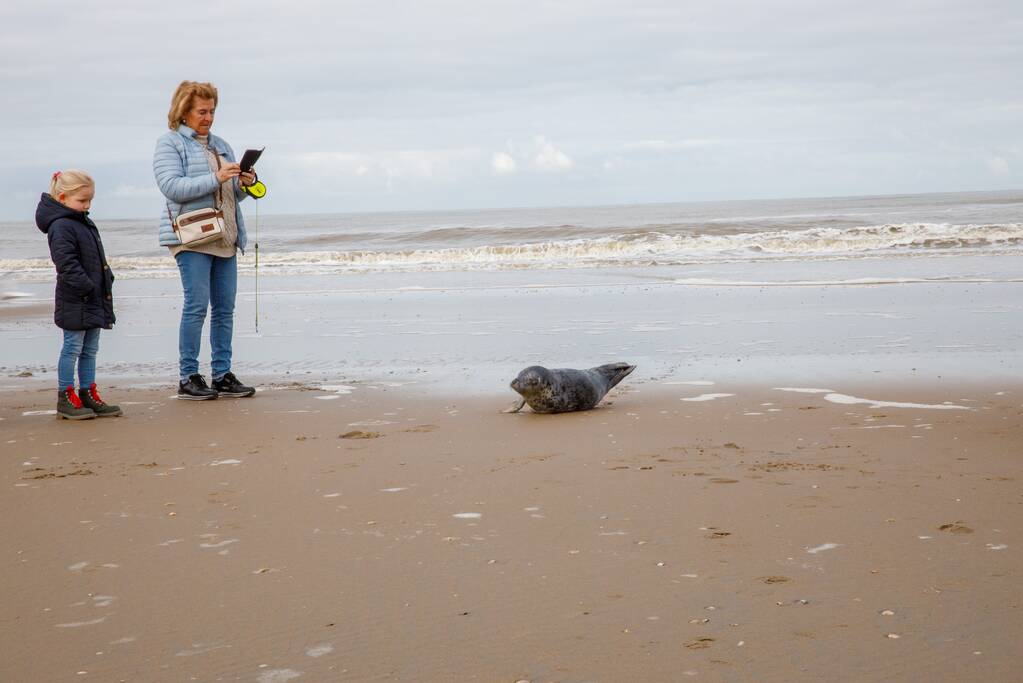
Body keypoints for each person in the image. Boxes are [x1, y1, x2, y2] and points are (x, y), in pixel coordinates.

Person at [153, 80, 257, 400]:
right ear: (183, 111)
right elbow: (172, 187)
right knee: (196, 306)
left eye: (211, 111)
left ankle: (222, 375)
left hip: (225, 236)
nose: (208, 117)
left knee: (225, 309)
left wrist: (244, 183)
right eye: (201, 111)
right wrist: (216, 177)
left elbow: (230, 194)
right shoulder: (170, 143)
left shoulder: (221, 144)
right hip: (191, 237)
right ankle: (188, 377)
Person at [36, 170, 122, 420]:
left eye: (90, 200)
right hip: (76, 298)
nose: (87, 205)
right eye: (82, 200)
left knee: (90, 349)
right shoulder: (61, 225)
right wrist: (87, 287)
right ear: (63, 197)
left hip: (93, 297)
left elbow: (96, 258)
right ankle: (65, 395)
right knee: (72, 347)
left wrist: (106, 279)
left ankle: (87, 393)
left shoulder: (83, 222)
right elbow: (66, 264)